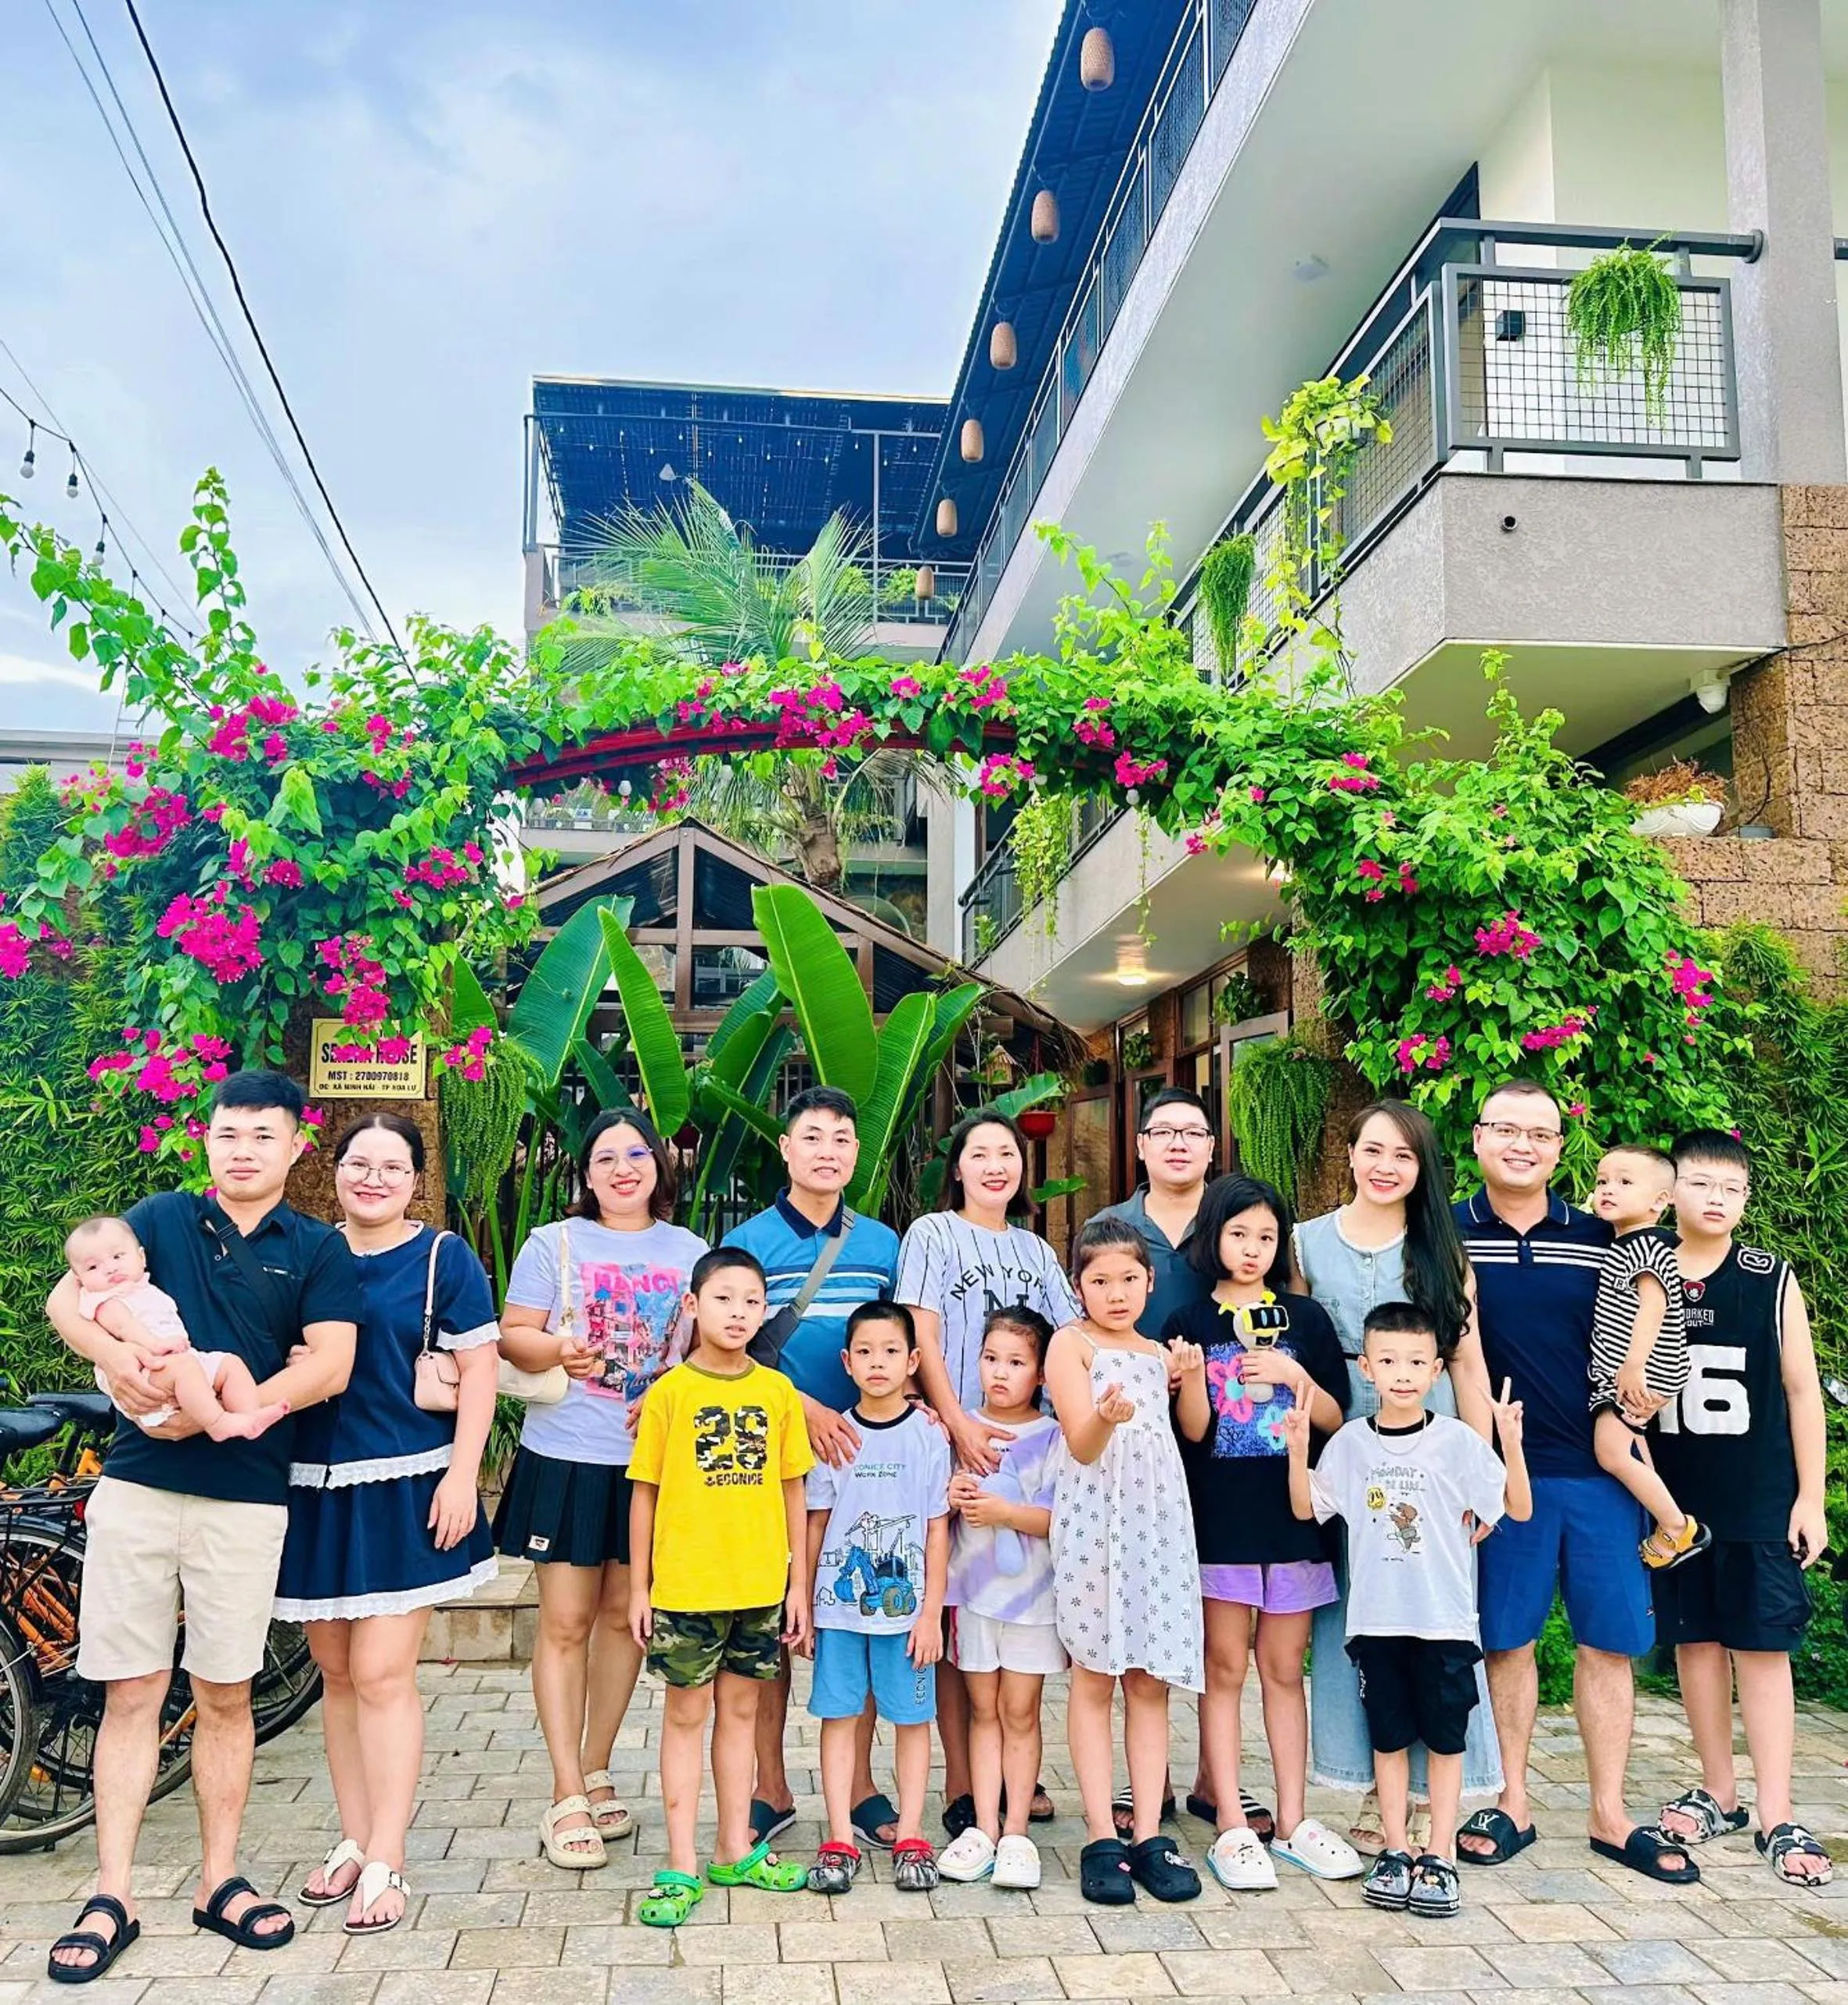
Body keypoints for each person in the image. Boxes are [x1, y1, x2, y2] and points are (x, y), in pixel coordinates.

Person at [43, 1070, 359, 1984]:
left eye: (263, 1135)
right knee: (130, 1692)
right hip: (139, 1487)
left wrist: (239, 1410)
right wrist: (122, 1363)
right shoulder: (160, 1220)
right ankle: (112, 1893)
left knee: (225, 1693)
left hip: (246, 1497)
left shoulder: (316, 1248)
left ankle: (219, 1879)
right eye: (228, 1134)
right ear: (207, 1140)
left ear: (296, 1145)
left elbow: (332, 1363)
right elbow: (68, 1301)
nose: (243, 1150)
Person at [1452, 1080, 1695, 1884]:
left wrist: (1651, 1391)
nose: (1522, 1145)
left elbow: (1657, 1323)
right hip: (1503, 1477)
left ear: (1560, 1149)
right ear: (1479, 1138)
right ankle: (1512, 1800)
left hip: (1601, 1473)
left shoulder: (1604, 1237)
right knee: (1507, 1640)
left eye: (1540, 1134)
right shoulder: (1448, 1232)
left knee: (1608, 1642)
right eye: (1506, 1129)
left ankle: (1608, 1812)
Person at [278, 1114, 500, 1934]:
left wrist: (463, 1477)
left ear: (415, 1179)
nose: (373, 1179)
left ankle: (388, 1857)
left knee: (380, 1673)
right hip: (313, 1487)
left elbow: (480, 1372)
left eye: (393, 1167)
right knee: (336, 1673)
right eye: (358, 1164)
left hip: (407, 1484)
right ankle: (354, 1836)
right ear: (334, 1170)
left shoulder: (443, 1257)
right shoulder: (307, 1252)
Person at [495, 1109, 707, 1869]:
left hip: (651, 1463)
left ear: (659, 1165)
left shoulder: (690, 1251)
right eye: (606, 1157)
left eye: (637, 1154)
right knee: (565, 1621)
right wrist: (558, 1347)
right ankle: (564, 1792)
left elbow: (711, 1347)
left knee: (623, 1617)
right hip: (567, 1453)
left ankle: (596, 1766)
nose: (623, 1169)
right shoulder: (553, 1242)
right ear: (586, 1173)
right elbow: (512, 1335)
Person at [1293, 1100, 1499, 1853]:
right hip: (1341, 1433)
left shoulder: (1442, 1250)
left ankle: (1426, 1794)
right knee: (1357, 1608)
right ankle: (1367, 1785)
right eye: (1373, 1149)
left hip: (1432, 1442)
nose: (1386, 1167)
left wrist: (1483, 1476)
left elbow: (1469, 1365)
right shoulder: (1306, 1242)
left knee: (1432, 1611)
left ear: (1423, 1167)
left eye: (1404, 1155)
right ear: (1349, 1153)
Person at [1289, 1303, 1531, 1920]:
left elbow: (1518, 1509)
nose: (1402, 1373)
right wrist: (1297, 1450)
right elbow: (1306, 1508)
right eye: (1389, 1360)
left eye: (1417, 1362)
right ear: (1366, 1367)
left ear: (1436, 1371)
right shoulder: (1350, 1444)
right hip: (1377, 1623)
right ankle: (1396, 1849)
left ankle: (1440, 1852)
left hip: (1444, 1623)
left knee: (1446, 1741)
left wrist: (1510, 1443)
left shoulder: (1457, 1442)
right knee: (1389, 1737)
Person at [1167, 1174, 1360, 1890]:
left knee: (1283, 1670)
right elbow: (1193, 1432)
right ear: (1213, 1237)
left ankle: (1293, 1820)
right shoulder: (1188, 1320)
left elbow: (1336, 1418)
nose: (1252, 1249)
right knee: (1223, 1669)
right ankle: (1230, 1824)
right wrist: (1190, 1376)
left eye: (1267, 1237)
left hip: (1295, 1523)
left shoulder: (1306, 1319)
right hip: (1221, 1524)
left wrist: (1292, 1375)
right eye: (1239, 1234)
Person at [1651, 1131, 1832, 1886]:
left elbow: (1802, 1391)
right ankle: (1719, 1792)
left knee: (1761, 1648)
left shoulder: (1768, 1277)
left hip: (1756, 1498)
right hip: (1675, 1504)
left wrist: (1811, 1498)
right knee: (1695, 1644)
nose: (1716, 1198)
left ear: (1747, 1199)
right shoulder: (1641, 1270)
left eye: (1732, 1188)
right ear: (1671, 1191)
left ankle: (1776, 1812)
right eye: (1701, 1183)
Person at [724, 1086, 901, 1849]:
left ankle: (858, 1785)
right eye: (813, 1137)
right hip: (772, 1462)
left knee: (858, 1617)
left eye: (842, 1139)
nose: (828, 1151)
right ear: (786, 1149)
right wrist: (803, 1409)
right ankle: (770, 1785)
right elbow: (726, 1349)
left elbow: (901, 1345)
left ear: (856, 1154)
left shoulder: (884, 1245)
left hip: (864, 1461)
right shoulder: (749, 1243)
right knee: (768, 1625)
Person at [897, 1106, 1080, 1833]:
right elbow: (923, 1330)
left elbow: (1070, 1336)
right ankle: (963, 1781)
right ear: (958, 1168)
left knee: (1019, 1602)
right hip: (953, 1440)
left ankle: (1013, 1776)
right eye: (980, 1153)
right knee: (957, 1612)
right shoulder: (932, 1233)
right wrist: (959, 1422)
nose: (996, 1166)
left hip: (1029, 1447)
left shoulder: (1035, 1249)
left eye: (1007, 1153)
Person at [627, 1247, 814, 1924]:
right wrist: (640, 1587)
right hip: (686, 1588)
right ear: (693, 1305)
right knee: (686, 1717)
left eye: (751, 1302)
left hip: (759, 1585)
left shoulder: (778, 1393)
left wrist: (797, 1584)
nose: (738, 1313)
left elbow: (793, 1489)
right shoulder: (670, 1394)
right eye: (724, 1298)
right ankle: (680, 1862)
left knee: (741, 1715)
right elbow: (644, 1493)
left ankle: (735, 1847)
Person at [1046, 1215, 1203, 1907]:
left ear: (1150, 1281)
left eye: (1130, 1279)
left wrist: (1190, 1378)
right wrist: (1105, 1418)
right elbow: (1081, 1445)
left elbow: (1192, 1429)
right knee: (1094, 1677)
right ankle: (1100, 1833)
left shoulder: (1157, 1353)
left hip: (1157, 1529)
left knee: (1148, 1680)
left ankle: (1148, 1833)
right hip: (1092, 1527)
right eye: (1100, 1280)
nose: (1116, 1293)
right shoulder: (1070, 1344)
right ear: (1078, 1285)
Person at [803, 1301, 952, 1896]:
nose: (877, 1363)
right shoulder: (835, 1436)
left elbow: (937, 1529)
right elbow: (816, 1523)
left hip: (909, 1616)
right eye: (865, 1352)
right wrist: (804, 1601)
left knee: (912, 1721)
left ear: (913, 1361)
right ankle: (840, 1836)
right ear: (847, 1361)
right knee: (839, 1716)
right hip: (839, 1614)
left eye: (891, 1351)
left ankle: (911, 1833)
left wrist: (931, 1613)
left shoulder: (928, 1436)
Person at [938, 1306, 1065, 1891]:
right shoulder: (959, 1429)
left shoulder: (1054, 1436)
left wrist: (1005, 1512)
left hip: (1033, 1605)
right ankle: (983, 1826)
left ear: (1040, 1374)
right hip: (972, 1599)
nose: (1000, 1372)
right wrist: (953, 1494)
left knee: (1020, 1712)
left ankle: (1016, 1830)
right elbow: (935, 1510)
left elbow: (1059, 1520)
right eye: (991, 1358)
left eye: (1016, 1362)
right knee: (982, 1710)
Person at [67, 1215, 289, 1441]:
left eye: (117, 1256)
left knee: (230, 1364)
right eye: (93, 1267)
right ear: (79, 1278)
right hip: (145, 1371)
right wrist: (156, 1345)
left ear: (141, 1257)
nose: (110, 1269)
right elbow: (125, 1328)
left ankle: (249, 1416)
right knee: (186, 1367)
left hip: (178, 1362)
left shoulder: (141, 1289)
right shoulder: (105, 1301)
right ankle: (218, 1423)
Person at [1584, 1146, 1701, 1568]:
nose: (1608, 1190)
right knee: (1632, 1442)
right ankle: (1659, 1516)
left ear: (1659, 1201)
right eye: (1602, 1181)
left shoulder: (1647, 1246)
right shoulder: (1626, 1243)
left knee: (1611, 1453)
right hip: (1636, 1369)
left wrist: (1633, 1366)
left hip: (1643, 1370)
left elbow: (1655, 1305)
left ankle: (1676, 1526)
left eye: (1624, 1182)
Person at [1097, 1087, 1217, 1341]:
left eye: (1194, 1133)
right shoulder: (1105, 1228)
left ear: (1210, 1148)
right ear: (1141, 1145)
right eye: (1163, 1132)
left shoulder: (1236, 1226)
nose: (1178, 1145)